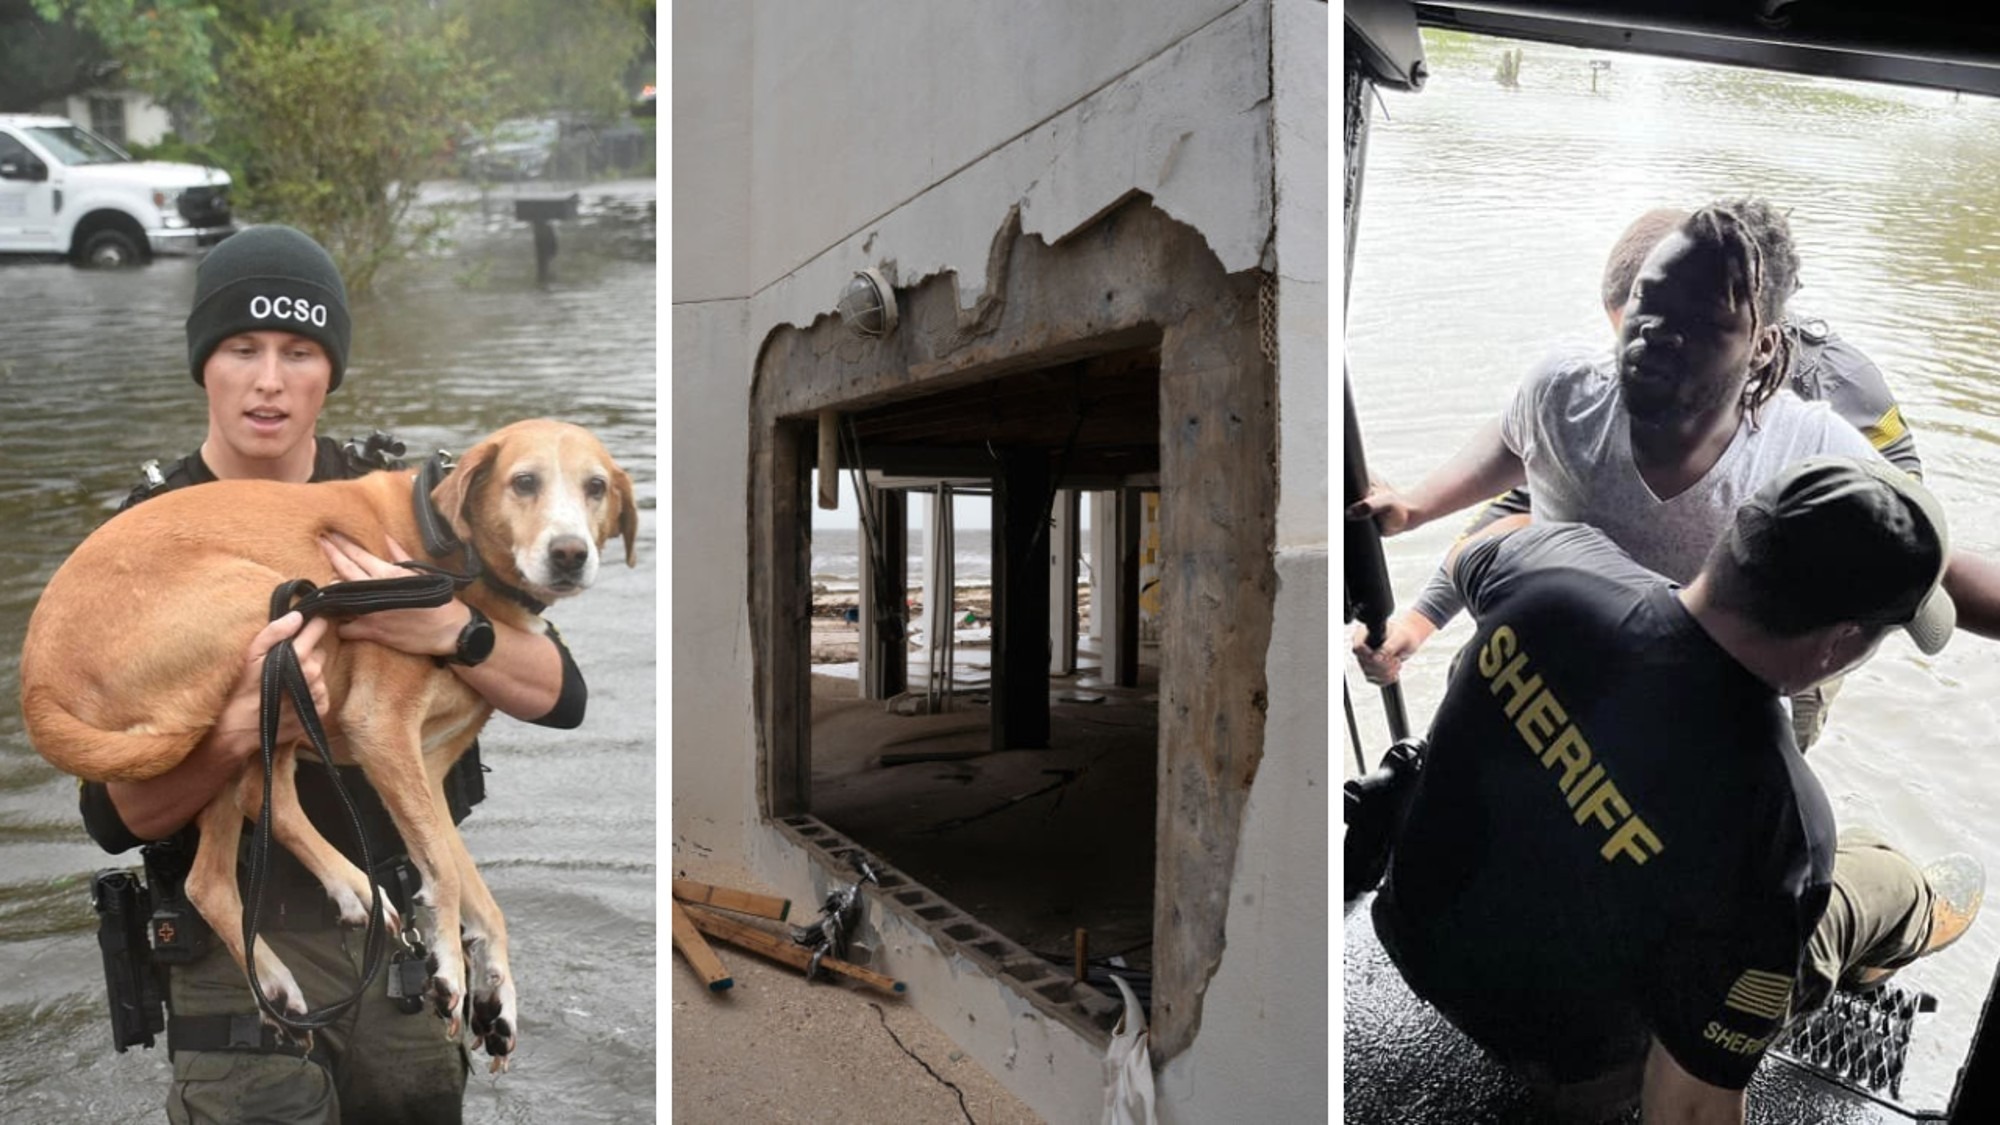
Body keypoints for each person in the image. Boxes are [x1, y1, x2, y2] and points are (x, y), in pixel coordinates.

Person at [75, 224, 587, 1125]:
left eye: (300, 351)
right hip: (238, 940)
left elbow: (560, 693)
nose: (269, 379)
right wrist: (242, 729)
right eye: (243, 347)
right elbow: (115, 815)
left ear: (330, 372)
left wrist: (450, 626)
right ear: (206, 364)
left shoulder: (393, 499)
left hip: (396, 920)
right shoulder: (153, 525)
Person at [1374, 456, 1983, 1122]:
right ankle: (1911, 917)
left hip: (1413, 935)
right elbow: (1690, 1104)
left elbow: (1475, 550)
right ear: (1838, 644)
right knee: (1869, 880)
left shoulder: (1556, 564)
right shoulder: (1780, 817)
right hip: (1570, 1061)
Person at [1353, 203, 1925, 748]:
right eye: (1643, 308)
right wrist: (1416, 572)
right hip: (1569, 686)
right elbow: (1522, 478)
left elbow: (1913, 553)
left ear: (1759, 345)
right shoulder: (1579, 395)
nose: (1651, 340)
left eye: (1698, 323)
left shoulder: (1813, 436)